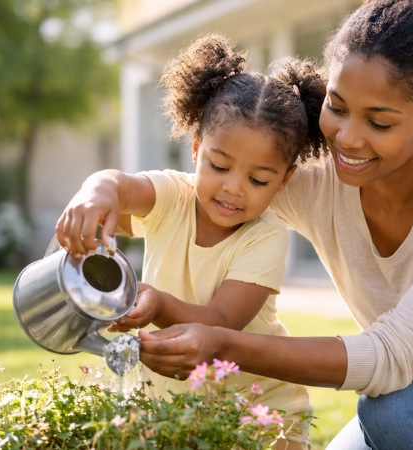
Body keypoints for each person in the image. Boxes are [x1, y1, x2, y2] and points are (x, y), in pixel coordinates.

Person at [62, 0, 413, 448]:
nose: (347, 137)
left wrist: (220, 342)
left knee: (396, 409)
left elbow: (389, 359)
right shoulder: (311, 180)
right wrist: (104, 187)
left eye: (380, 122)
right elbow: (201, 189)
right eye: (336, 106)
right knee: (401, 413)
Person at [55, 35, 327, 450]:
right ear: (197, 149)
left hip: (260, 416)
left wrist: (160, 304)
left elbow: (221, 323)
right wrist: (97, 191)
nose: (234, 189)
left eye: (258, 179)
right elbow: (122, 187)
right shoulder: (174, 196)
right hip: (177, 406)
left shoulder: (265, 236)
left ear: (285, 180)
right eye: (219, 166)